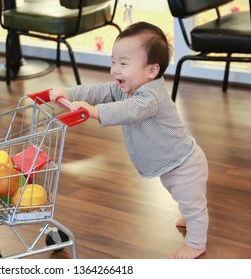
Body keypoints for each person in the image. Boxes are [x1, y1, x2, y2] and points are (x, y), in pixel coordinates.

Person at [49, 21, 209, 259]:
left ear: (151, 71)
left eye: (123, 64)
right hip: (169, 162)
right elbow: (100, 90)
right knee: (181, 196)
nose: (115, 70)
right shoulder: (129, 86)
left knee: (194, 204)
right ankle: (188, 215)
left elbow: (129, 110)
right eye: (113, 62)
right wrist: (71, 93)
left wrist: (94, 111)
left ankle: (196, 243)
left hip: (184, 163)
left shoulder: (150, 97)